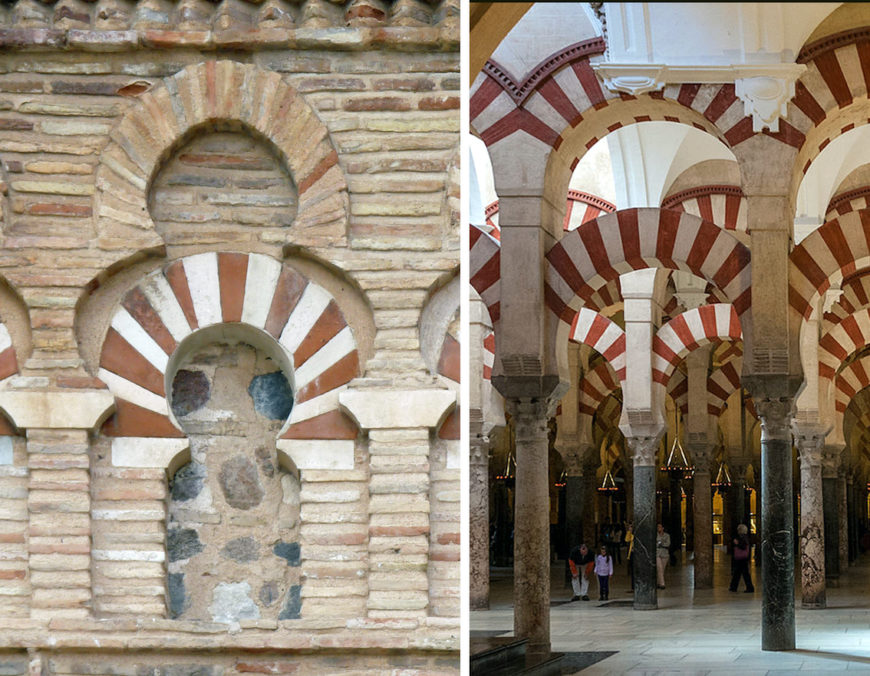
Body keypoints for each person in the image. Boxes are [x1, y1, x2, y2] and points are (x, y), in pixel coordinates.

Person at [729, 523, 754, 593]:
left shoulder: (742, 537)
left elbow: (743, 546)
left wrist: (737, 543)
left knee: (742, 573)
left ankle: (749, 587)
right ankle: (733, 587)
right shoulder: (745, 537)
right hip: (743, 558)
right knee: (738, 572)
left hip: (741, 558)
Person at [656, 522, 670, 589]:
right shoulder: (655, 535)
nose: (659, 528)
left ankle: (658, 582)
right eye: (658, 527)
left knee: (662, 569)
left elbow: (668, 544)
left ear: (663, 528)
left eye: (660, 527)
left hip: (665, 554)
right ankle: (662, 584)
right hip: (657, 554)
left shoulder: (667, 536)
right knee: (659, 568)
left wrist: (661, 544)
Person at [624, 521, 635, 592]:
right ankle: (633, 587)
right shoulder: (630, 533)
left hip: (638, 554)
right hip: (632, 553)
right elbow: (627, 539)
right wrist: (629, 531)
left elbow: (632, 539)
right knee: (633, 571)